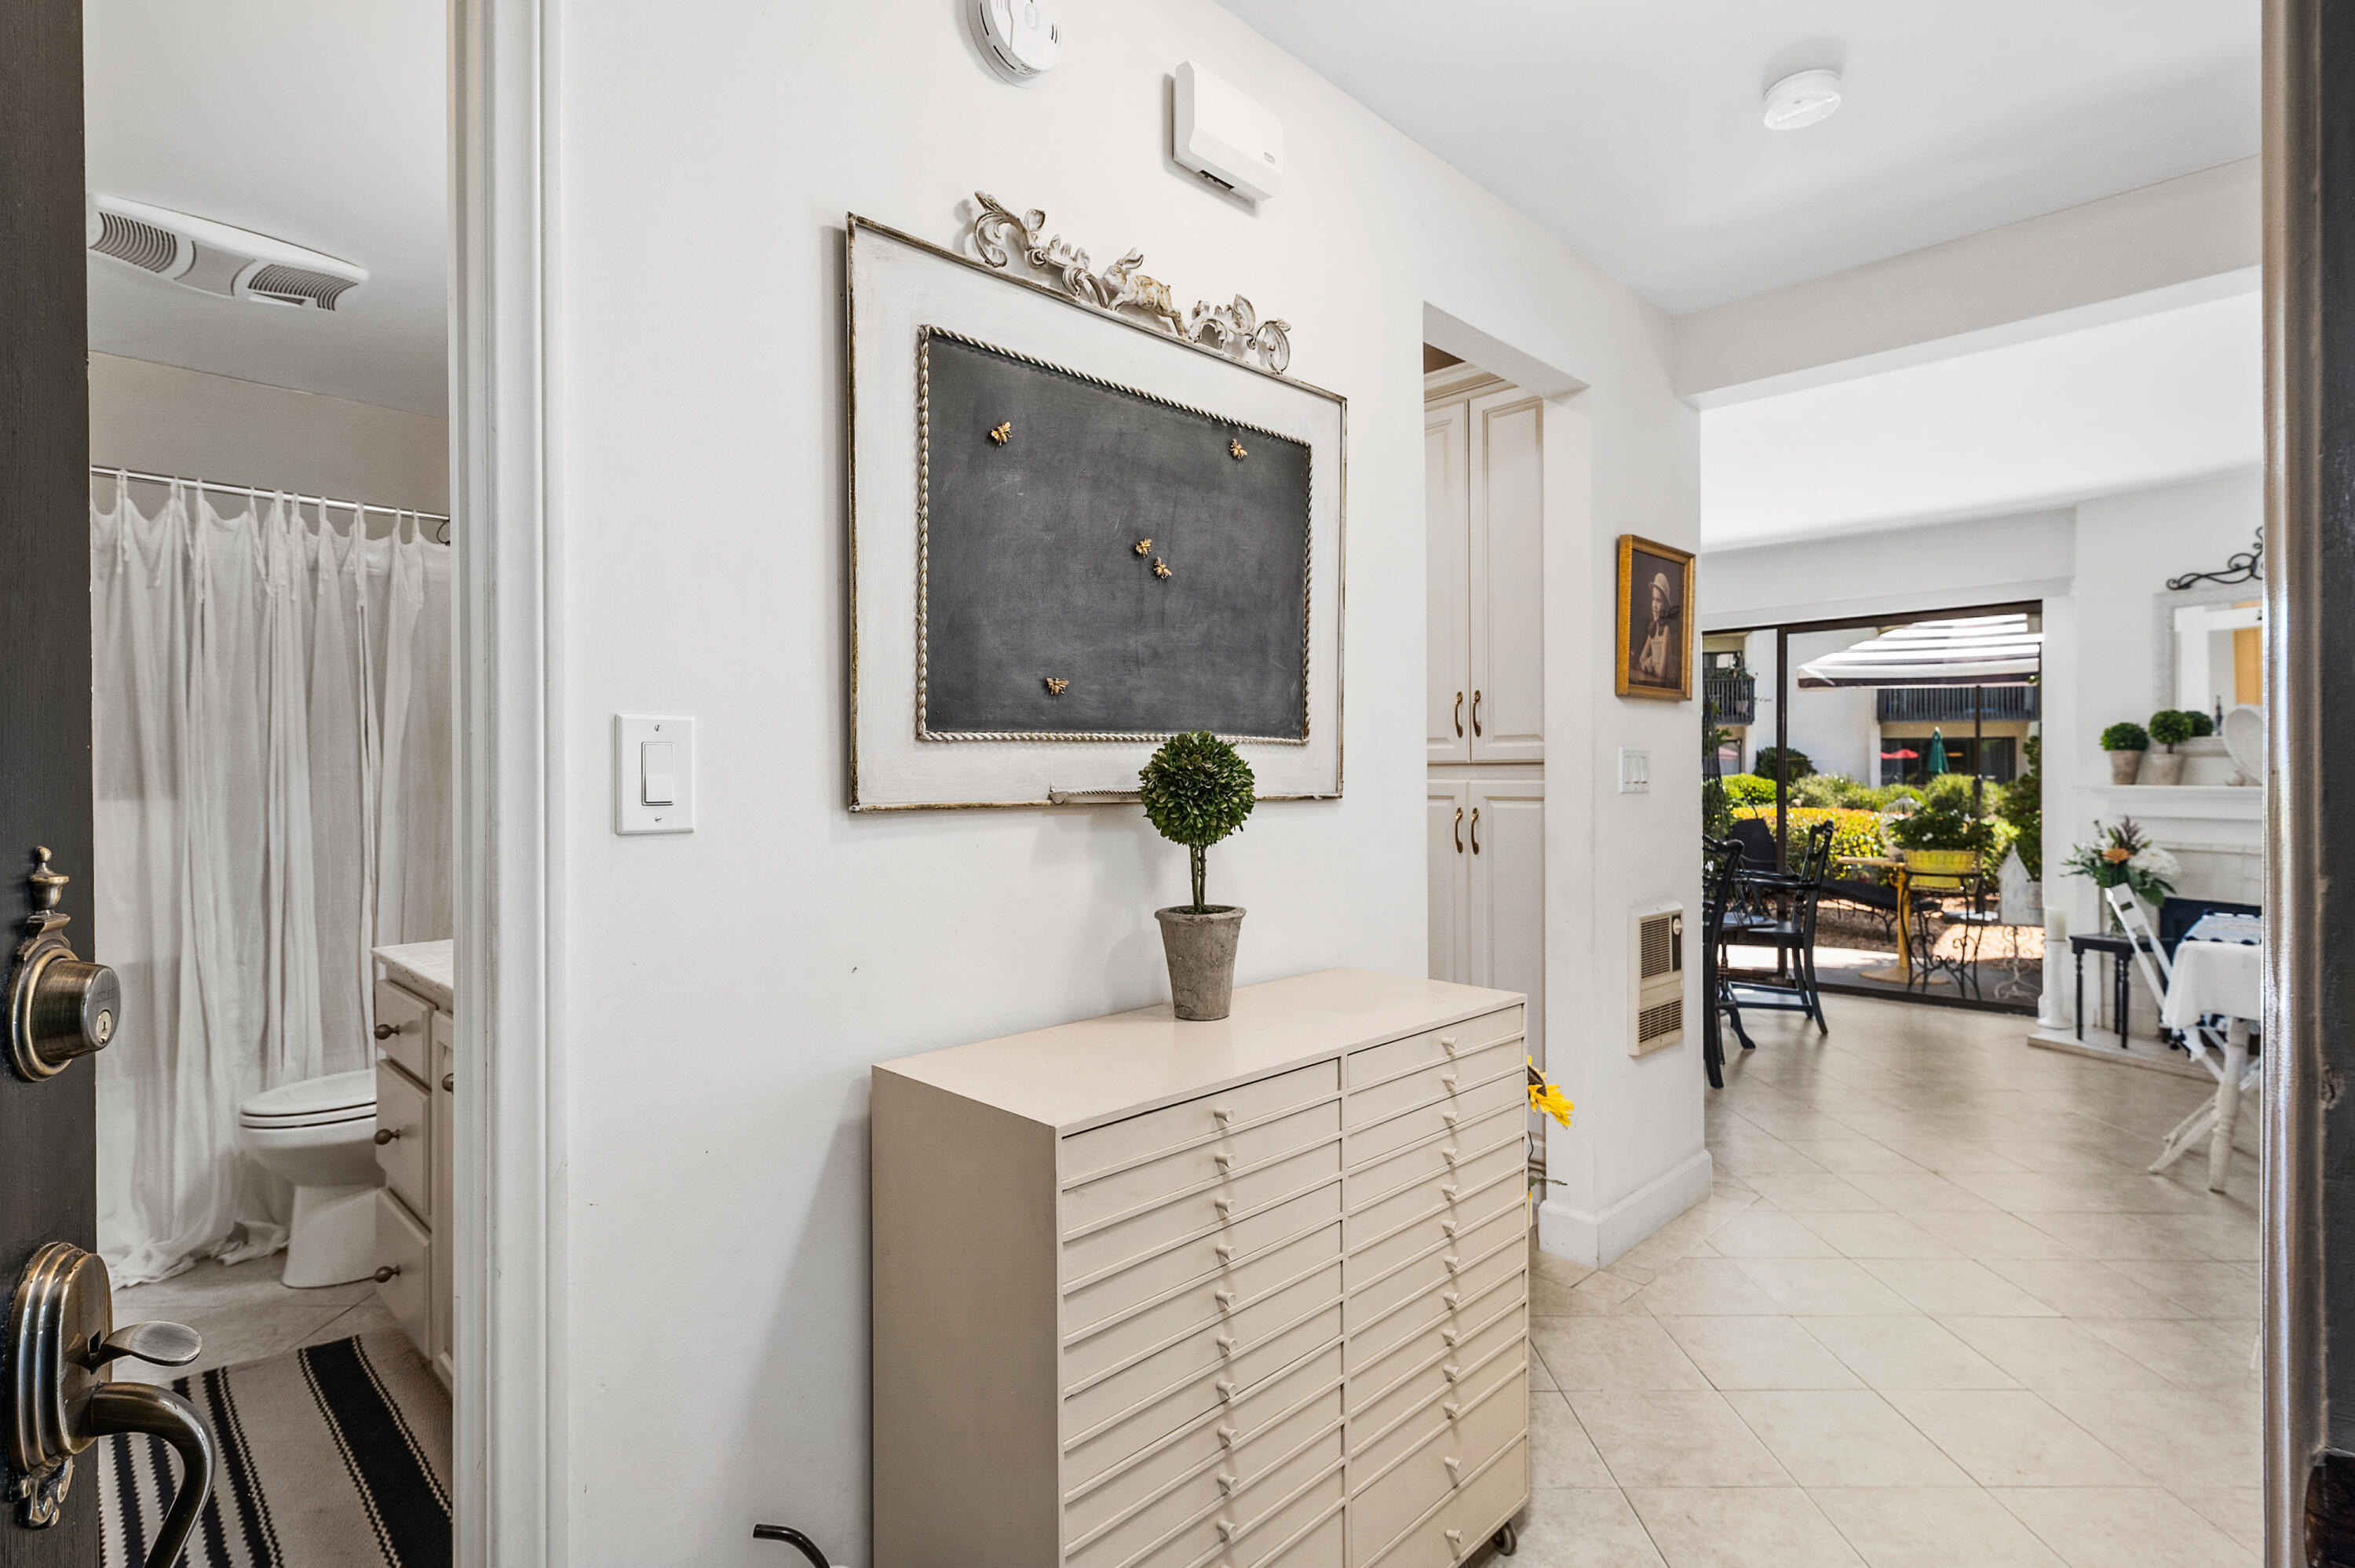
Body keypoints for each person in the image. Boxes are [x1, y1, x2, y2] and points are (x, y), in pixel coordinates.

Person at [1637, 569, 1678, 683]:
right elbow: (1641, 658)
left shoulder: (1666, 630)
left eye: (1658, 601)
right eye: (1653, 599)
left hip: (1667, 685)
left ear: (1664, 606)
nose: (1654, 605)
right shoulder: (1653, 629)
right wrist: (1645, 663)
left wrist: (1650, 665)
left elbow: (1661, 673)